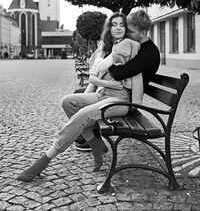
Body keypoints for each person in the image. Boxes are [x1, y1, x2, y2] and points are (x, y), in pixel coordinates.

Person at [17, 12, 142, 182]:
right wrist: (102, 86)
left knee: (82, 116)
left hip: (119, 99)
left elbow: (136, 74)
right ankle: (95, 143)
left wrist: (136, 104)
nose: (118, 28)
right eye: (114, 24)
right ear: (109, 28)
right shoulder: (110, 48)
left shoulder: (131, 48)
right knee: (68, 102)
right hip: (103, 94)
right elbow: (96, 75)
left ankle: (44, 160)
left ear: (126, 28)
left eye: (122, 24)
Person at [75, 9, 161, 150]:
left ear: (143, 33)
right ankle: (89, 138)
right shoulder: (132, 44)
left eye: (131, 31)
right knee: (77, 94)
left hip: (127, 98)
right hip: (117, 90)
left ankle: (88, 138)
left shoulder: (148, 53)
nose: (126, 34)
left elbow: (119, 73)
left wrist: (108, 58)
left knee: (79, 98)